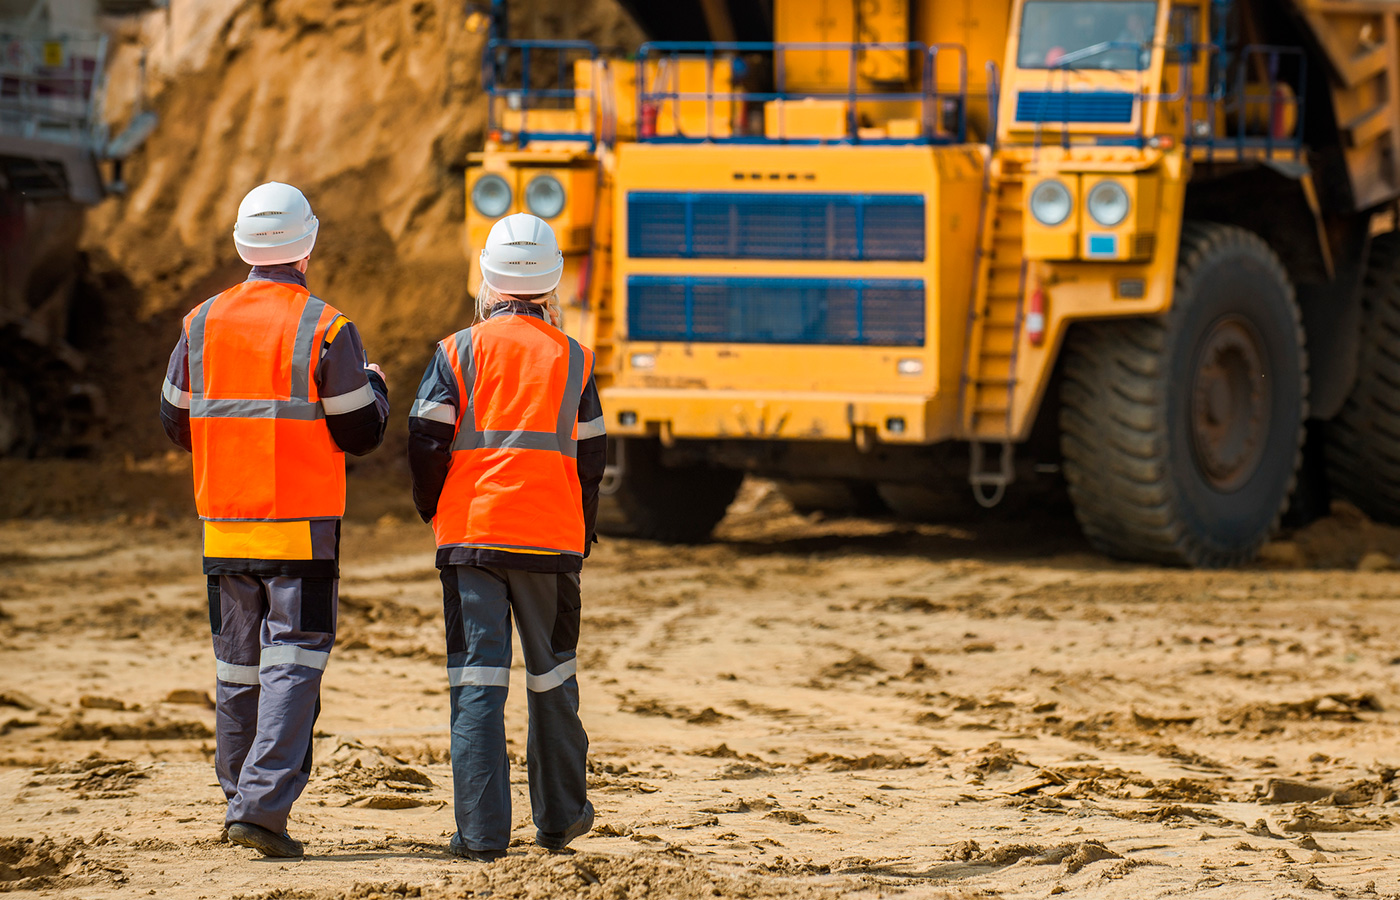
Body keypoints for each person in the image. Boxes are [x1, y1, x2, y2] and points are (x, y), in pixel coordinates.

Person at [159, 182, 390, 859]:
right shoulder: (326, 326)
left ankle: (240, 799)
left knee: (238, 666)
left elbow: (176, 420)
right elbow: (361, 430)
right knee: (291, 661)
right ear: (307, 247)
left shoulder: (200, 322)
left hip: (225, 522)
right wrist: (374, 383)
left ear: (241, 247)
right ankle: (261, 807)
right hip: (301, 524)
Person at [407, 213, 605, 862]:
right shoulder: (575, 358)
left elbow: (426, 438)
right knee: (553, 684)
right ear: (552, 288)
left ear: (488, 281)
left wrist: (432, 507)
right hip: (552, 546)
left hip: (472, 543)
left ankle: (483, 837)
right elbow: (592, 460)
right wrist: (584, 530)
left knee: (478, 684)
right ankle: (561, 819)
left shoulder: (455, 351)